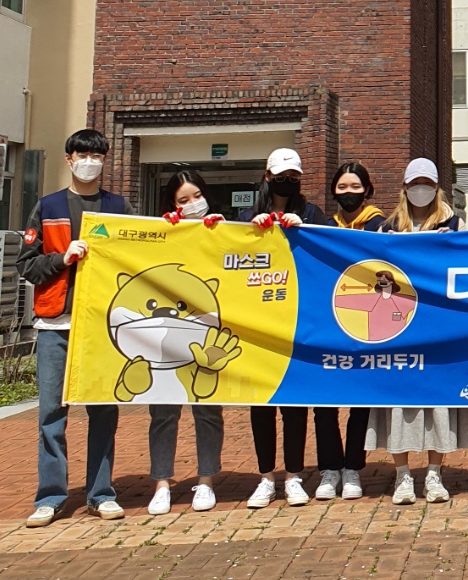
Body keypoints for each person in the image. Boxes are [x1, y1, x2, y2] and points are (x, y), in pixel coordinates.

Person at [16, 129, 131, 527]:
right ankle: (50, 497)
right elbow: (26, 264)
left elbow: (143, 256)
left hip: (102, 327)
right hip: (56, 326)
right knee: (51, 413)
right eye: (82, 155)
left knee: (104, 412)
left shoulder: (119, 207)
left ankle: (101, 494)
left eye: (96, 156)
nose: (89, 162)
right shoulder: (47, 206)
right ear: (69, 159)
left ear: (105, 160)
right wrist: (62, 258)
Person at [368, 158, 468, 503]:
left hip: (438, 328)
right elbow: (372, 270)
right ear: (405, 187)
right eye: (415, 183)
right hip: (398, 329)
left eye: (427, 183)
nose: (421, 189)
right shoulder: (387, 227)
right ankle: (402, 475)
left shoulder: (453, 223)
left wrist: (453, 243)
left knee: (437, 399)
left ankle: (433, 473)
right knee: (397, 401)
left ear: (436, 187)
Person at [238, 148, 326, 508]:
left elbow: (329, 249)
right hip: (257, 325)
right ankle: (265, 477)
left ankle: (293, 476)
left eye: (293, 176)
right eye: (281, 175)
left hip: (297, 322)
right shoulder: (246, 216)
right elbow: (228, 253)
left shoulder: (312, 213)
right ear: (267, 175)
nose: (287, 181)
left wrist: (305, 231)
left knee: (294, 404)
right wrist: (251, 231)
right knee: (261, 405)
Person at [147, 170, 226, 514]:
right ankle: (162, 484)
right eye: (183, 200)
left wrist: (228, 234)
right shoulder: (162, 233)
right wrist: (163, 235)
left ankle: (206, 481)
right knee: (163, 410)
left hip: (205, 334)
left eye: (197, 196)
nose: (193, 204)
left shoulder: (222, 230)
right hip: (165, 334)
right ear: (172, 205)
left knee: (207, 409)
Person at [314, 161, 385, 502]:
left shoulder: (381, 225)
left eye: (355, 187)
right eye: (342, 187)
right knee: (323, 401)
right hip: (329, 323)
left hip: (366, 323)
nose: (348, 193)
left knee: (361, 399)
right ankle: (329, 469)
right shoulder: (324, 228)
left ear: (367, 190)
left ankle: (353, 467)